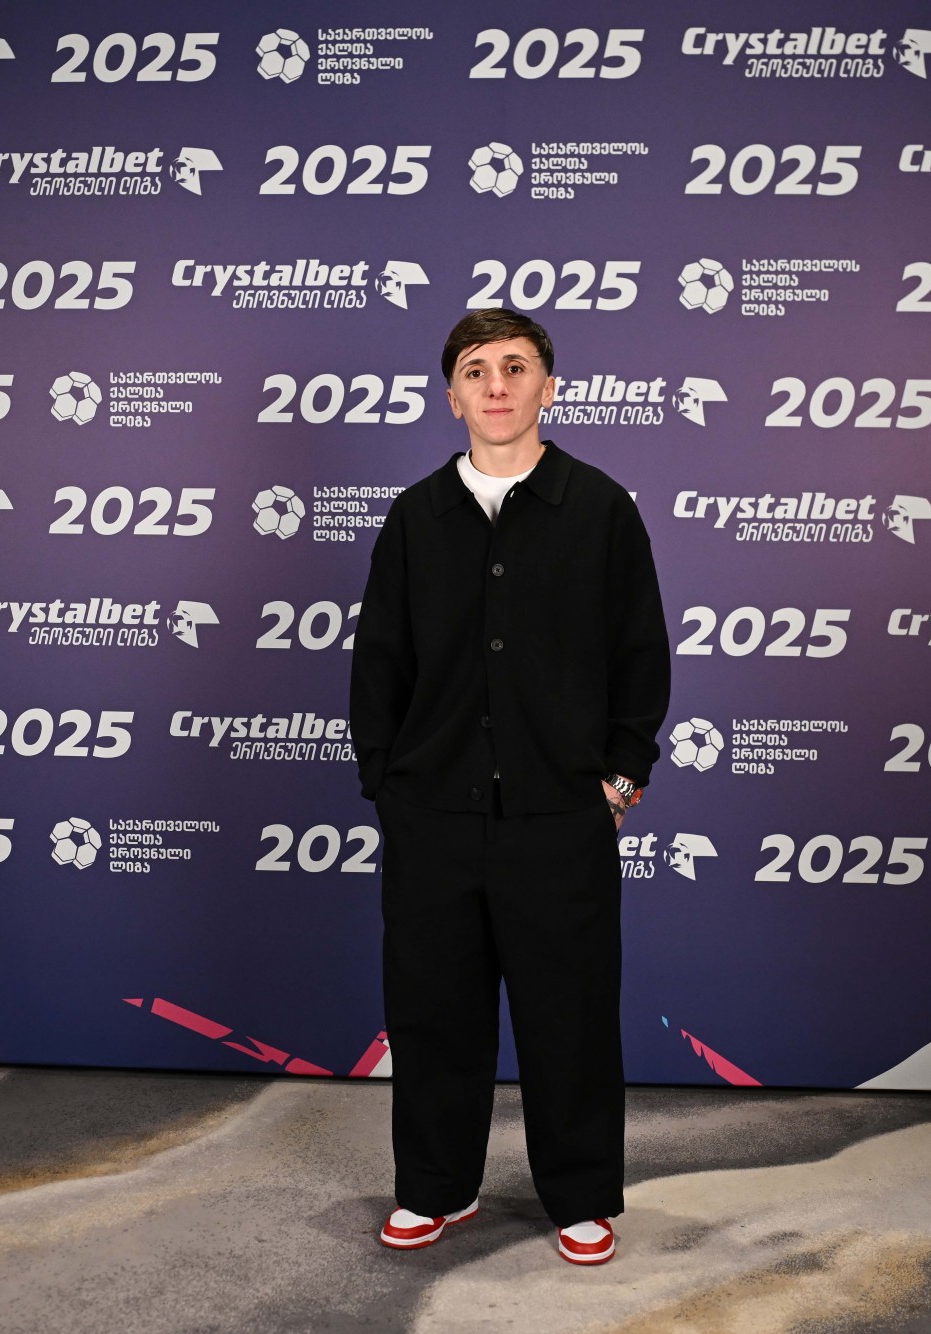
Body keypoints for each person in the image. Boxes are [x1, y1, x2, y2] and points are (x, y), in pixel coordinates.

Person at [349, 308, 670, 1266]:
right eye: (477, 370)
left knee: (570, 1017)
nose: (497, 385)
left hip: (560, 818)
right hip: (433, 819)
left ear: (548, 388)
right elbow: (379, 664)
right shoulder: (416, 517)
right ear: (453, 397)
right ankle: (435, 1188)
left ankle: (579, 1195)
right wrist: (389, 785)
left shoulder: (600, 508)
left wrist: (620, 779)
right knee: (433, 1015)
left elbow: (640, 654)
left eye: (517, 367)